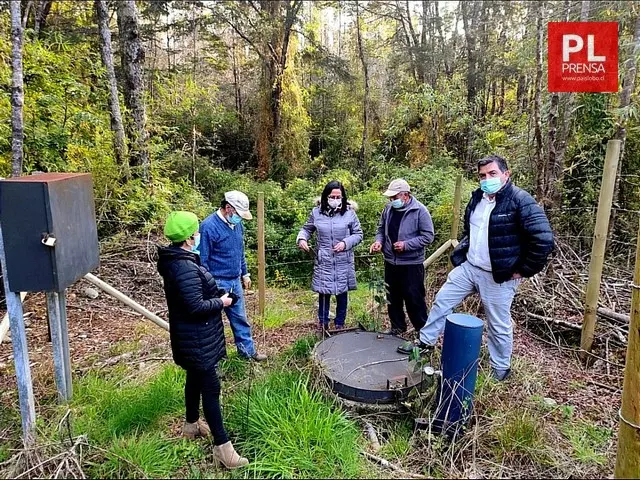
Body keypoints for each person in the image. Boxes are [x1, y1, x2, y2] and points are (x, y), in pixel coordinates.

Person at [416, 155, 554, 381]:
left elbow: (543, 239)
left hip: (499, 276)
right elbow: (471, 231)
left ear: (506, 174)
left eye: (492, 174)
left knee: (498, 323)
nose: (487, 179)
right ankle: (425, 343)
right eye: (482, 175)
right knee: (442, 300)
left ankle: (500, 370)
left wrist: (523, 270)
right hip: (470, 267)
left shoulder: (520, 200)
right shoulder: (477, 197)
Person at [157, 211, 248, 469]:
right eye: (196, 232)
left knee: (194, 379)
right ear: (188, 238)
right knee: (211, 388)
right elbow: (195, 306)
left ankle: (191, 425)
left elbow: (194, 293)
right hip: (196, 338)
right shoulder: (183, 266)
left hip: (194, 337)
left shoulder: (181, 260)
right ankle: (224, 449)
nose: (199, 235)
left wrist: (219, 292)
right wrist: (221, 301)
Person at [200, 191, 267, 362]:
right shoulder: (208, 226)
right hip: (216, 281)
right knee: (213, 324)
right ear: (228, 208)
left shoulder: (237, 225)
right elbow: (203, 259)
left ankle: (247, 354)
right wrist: (208, 284)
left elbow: (240, 251)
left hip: (234, 280)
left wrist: (245, 273)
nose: (240, 218)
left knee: (240, 319)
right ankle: (217, 360)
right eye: (238, 214)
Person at [369, 179, 435, 343]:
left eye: (394, 197)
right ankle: (397, 328)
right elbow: (380, 229)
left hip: (411, 264)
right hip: (391, 262)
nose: (391, 201)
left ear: (405, 195)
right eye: (390, 198)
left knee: (414, 299)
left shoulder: (420, 211)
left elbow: (428, 236)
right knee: (393, 298)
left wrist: (407, 245)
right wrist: (379, 242)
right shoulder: (388, 210)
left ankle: (423, 335)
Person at [297, 181, 363, 331]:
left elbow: (358, 234)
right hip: (324, 259)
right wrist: (302, 239)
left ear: (343, 197)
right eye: (332, 196)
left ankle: (340, 324)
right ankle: (323, 323)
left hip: (343, 260)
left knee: (342, 292)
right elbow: (306, 229)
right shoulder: (316, 212)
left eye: (338, 196)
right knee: (324, 292)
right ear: (326, 197)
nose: (335, 199)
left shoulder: (349, 213)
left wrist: (345, 243)